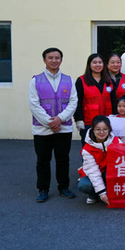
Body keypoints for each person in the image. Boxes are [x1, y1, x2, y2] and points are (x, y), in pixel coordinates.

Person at [29, 47, 78, 203]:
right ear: (44, 60)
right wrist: (50, 122)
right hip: (42, 129)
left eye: (57, 58)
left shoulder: (69, 80)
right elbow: (34, 104)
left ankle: (63, 187)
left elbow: (73, 102)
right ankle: (43, 189)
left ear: (61, 60)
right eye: (50, 58)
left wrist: (60, 119)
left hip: (64, 128)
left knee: (63, 160)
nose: (54, 60)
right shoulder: (35, 80)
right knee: (43, 160)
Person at [78, 115, 121, 205]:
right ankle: (94, 194)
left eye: (105, 129)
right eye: (98, 129)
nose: (102, 132)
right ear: (93, 130)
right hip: (94, 174)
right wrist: (101, 193)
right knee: (84, 185)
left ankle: (111, 192)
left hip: (110, 172)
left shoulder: (116, 141)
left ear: (109, 130)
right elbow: (93, 171)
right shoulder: (87, 149)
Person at [74, 53, 115, 145]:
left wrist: (116, 118)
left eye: (100, 62)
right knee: (89, 149)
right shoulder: (81, 81)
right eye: (95, 62)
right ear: (89, 65)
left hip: (106, 121)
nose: (98, 65)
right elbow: (77, 102)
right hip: (88, 122)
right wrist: (79, 119)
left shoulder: (109, 81)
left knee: (107, 148)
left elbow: (114, 101)